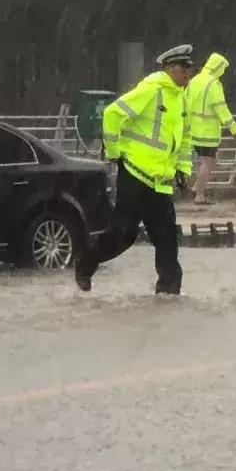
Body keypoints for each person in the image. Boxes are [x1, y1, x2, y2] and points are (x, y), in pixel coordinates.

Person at [74, 44, 195, 295]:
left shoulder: (181, 99)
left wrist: (183, 171)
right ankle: (86, 262)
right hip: (135, 176)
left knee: (167, 242)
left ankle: (168, 294)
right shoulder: (151, 89)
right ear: (171, 69)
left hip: (161, 182)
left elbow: (184, 140)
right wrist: (115, 152)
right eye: (185, 69)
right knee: (123, 236)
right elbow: (112, 114)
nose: (188, 74)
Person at [186, 52, 236, 205]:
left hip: (193, 129)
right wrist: (234, 128)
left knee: (207, 162)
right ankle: (199, 195)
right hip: (208, 131)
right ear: (218, 67)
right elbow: (220, 108)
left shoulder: (194, 80)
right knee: (207, 163)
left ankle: (197, 187)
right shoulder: (213, 84)